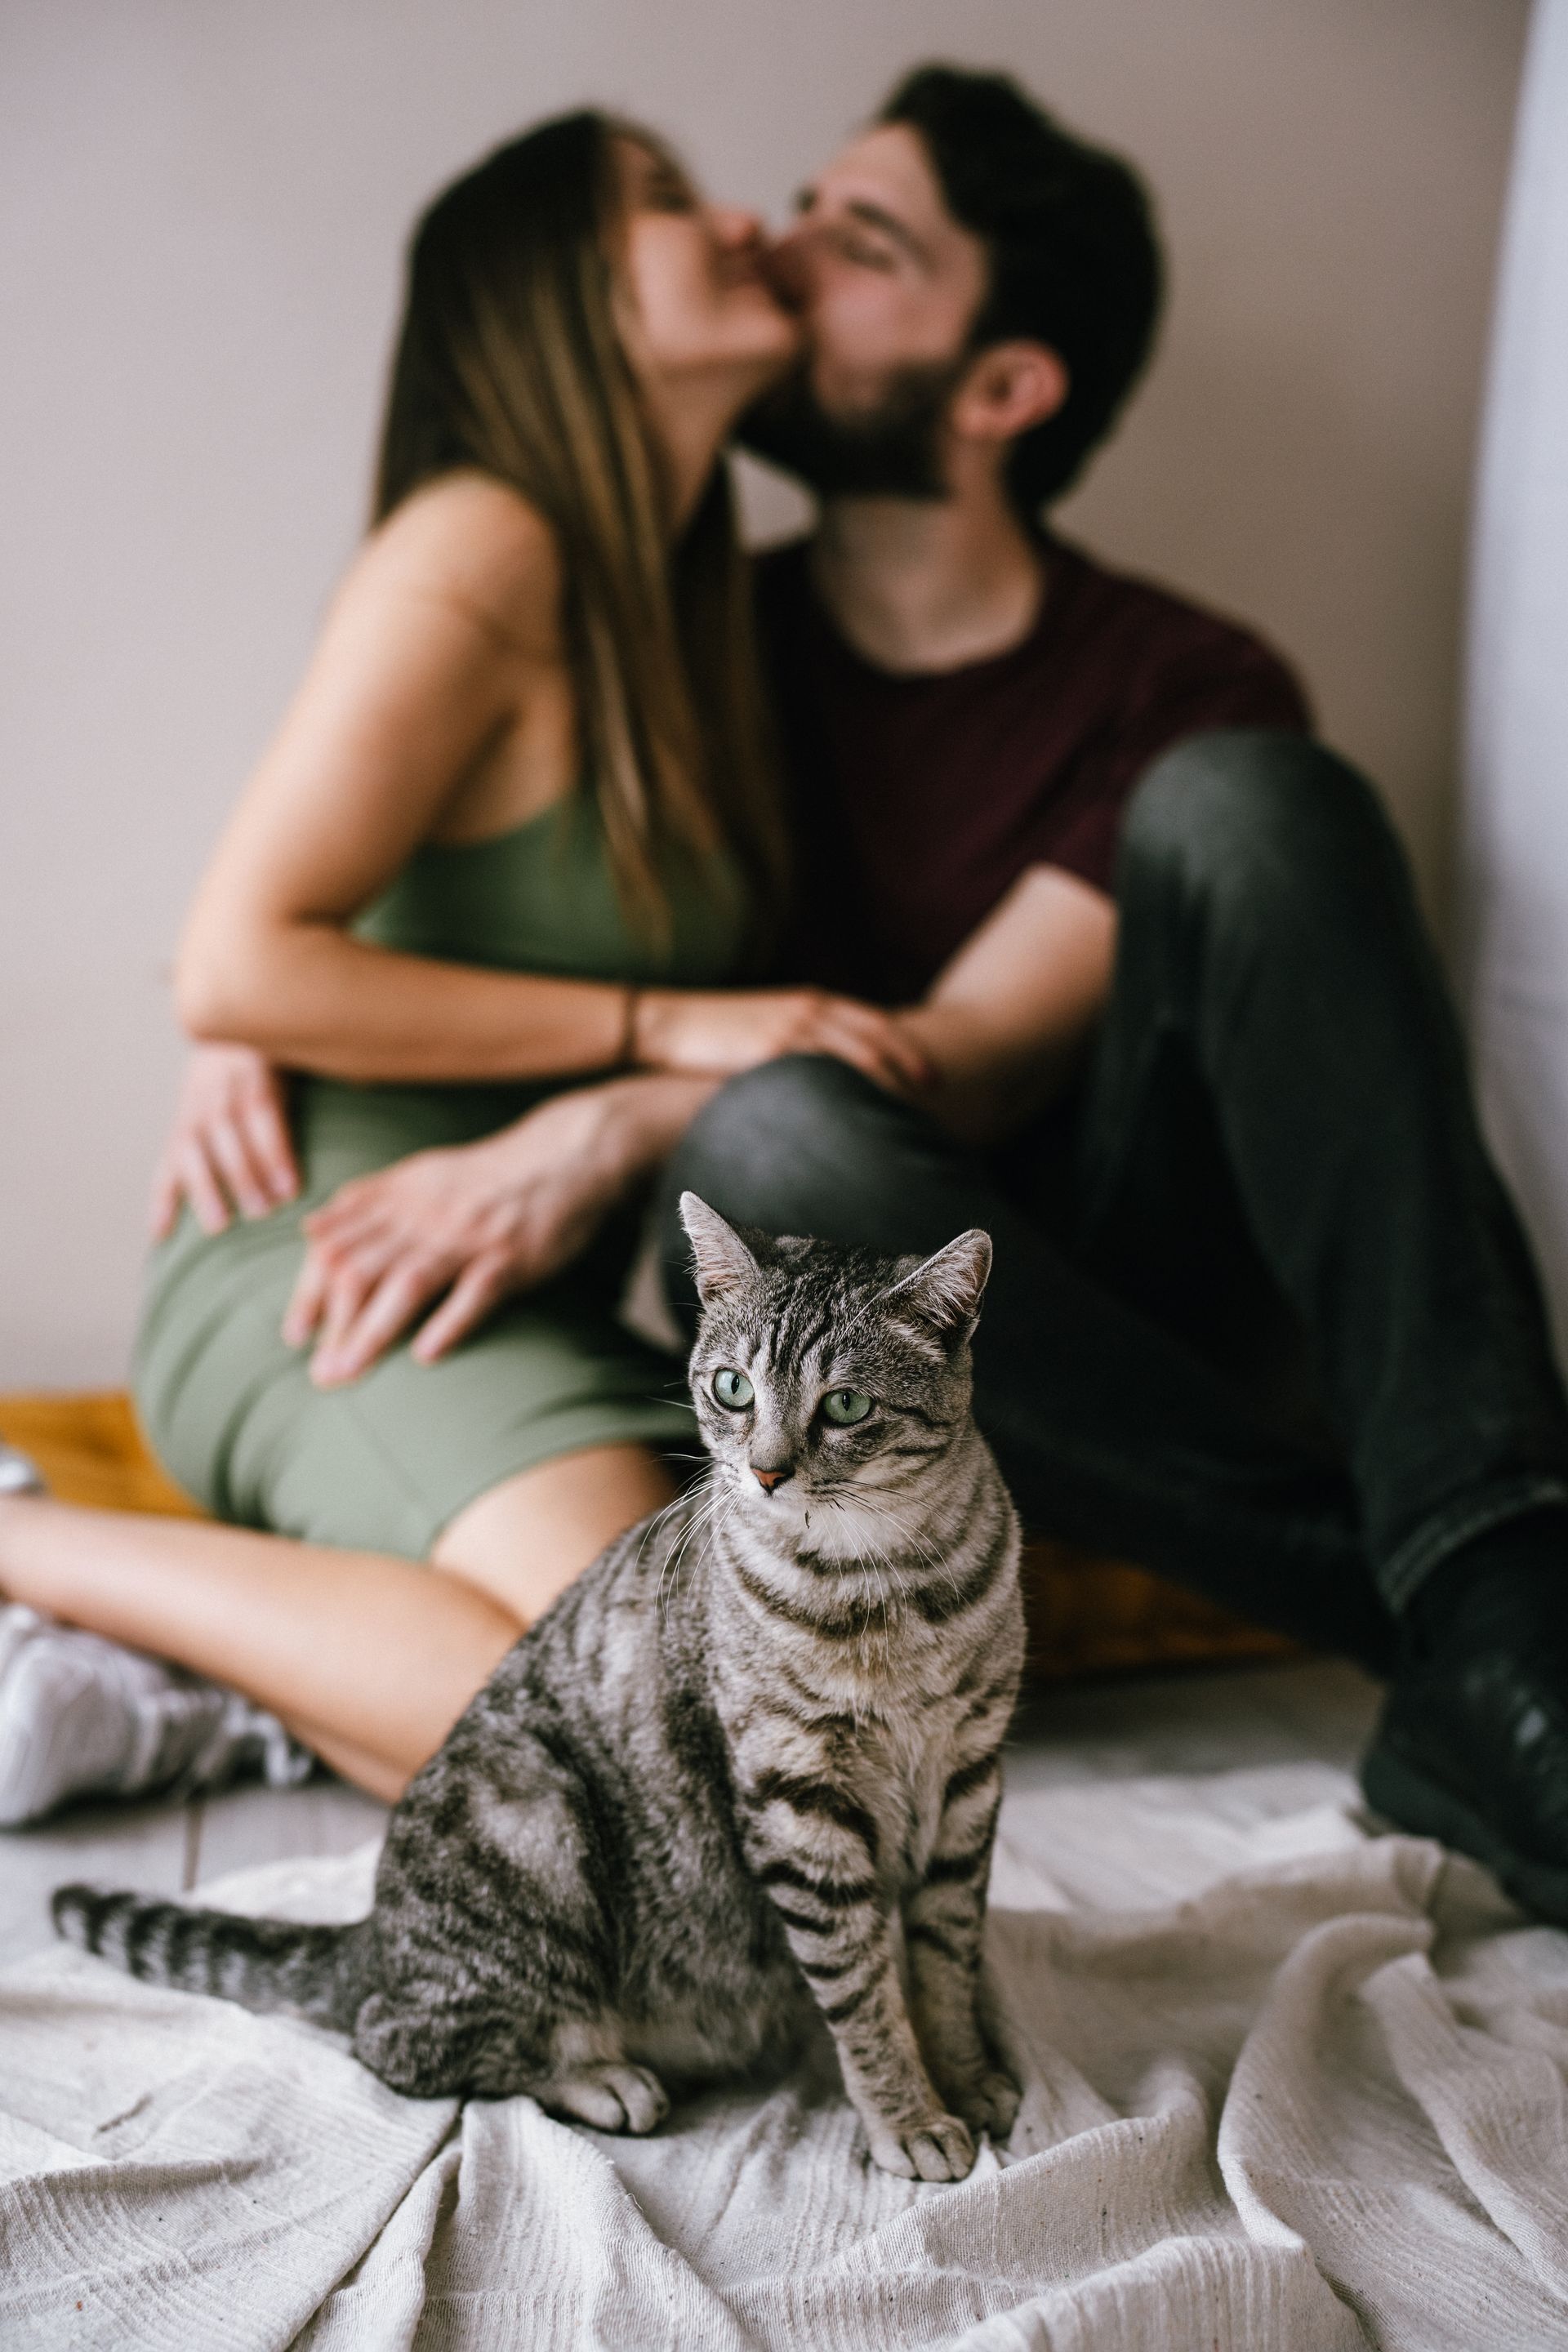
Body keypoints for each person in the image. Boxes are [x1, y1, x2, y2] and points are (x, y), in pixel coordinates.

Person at [653, 65, 1568, 1924]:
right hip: (828, 1400)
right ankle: (1486, 1620)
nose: (780, 247)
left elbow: (965, 1066)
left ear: (1002, 391)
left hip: (1130, 1323)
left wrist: (620, 1097)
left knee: (1252, 807)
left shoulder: (1176, 680)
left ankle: (1495, 1564)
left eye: (865, 239)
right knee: (765, 1141)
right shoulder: (684, 655)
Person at [0, 108, 929, 1818]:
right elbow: (238, 961)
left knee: (764, 1749)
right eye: (661, 201)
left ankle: (242, 1678)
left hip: (525, 1288)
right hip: (330, 1271)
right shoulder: (482, 539)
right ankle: (31, 1547)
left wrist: (637, 1090)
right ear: (554, 297)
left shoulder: (698, 612)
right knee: (687, 1759)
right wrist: (665, 1021)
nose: (735, 219)